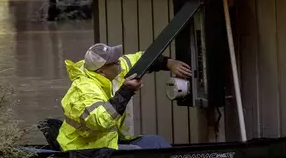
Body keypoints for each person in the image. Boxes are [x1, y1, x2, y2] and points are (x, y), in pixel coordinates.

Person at [56, 43, 191, 151]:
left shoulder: (115, 70)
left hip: (107, 141)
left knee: (157, 143)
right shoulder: (84, 89)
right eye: (114, 62)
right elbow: (101, 121)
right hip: (84, 150)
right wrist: (126, 91)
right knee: (137, 153)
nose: (119, 62)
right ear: (101, 71)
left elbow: (142, 59)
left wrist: (169, 63)